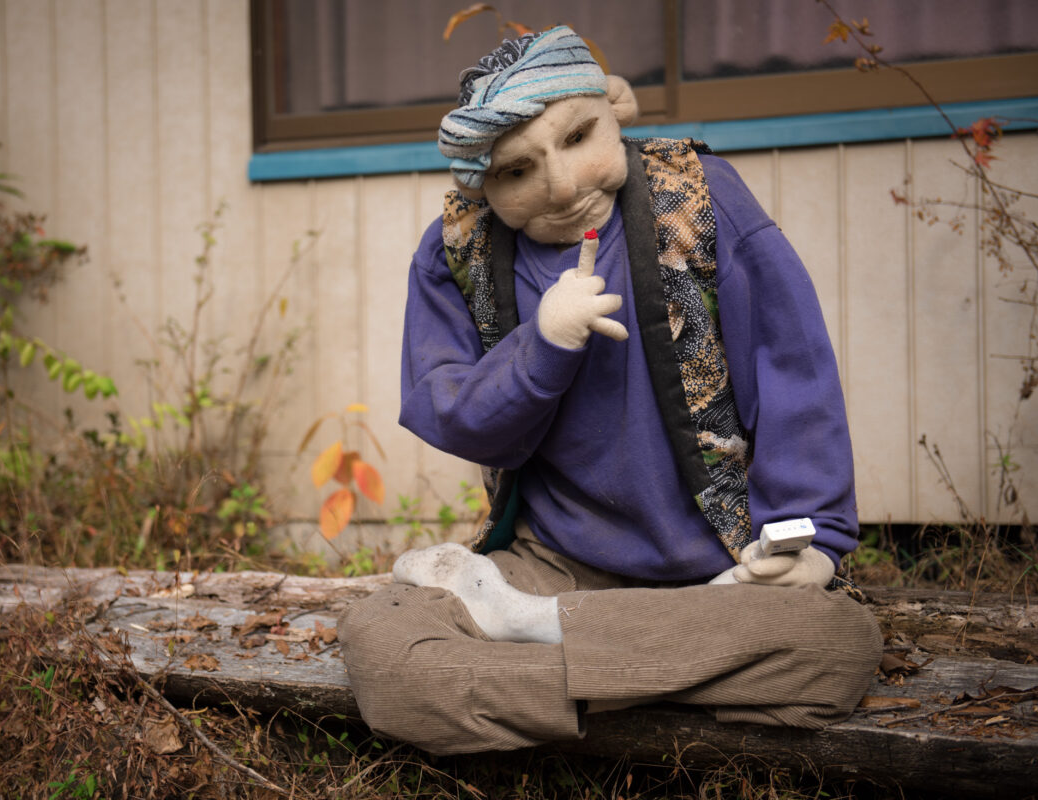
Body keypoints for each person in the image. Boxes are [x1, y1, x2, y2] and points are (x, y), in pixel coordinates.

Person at [337, 26, 882, 756]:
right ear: (481, 185)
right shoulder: (454, 252)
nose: (562, 186)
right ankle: (660, 674)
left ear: (613, 112)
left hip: (724, 572)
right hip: (554, 564)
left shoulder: (701, 199)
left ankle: (534, 635)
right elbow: (451, 411)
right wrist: (541, 347)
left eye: (578, 137)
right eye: (517, 171)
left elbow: (794, 370)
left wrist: (814, 537)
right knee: (385, 644)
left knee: (840, 642)